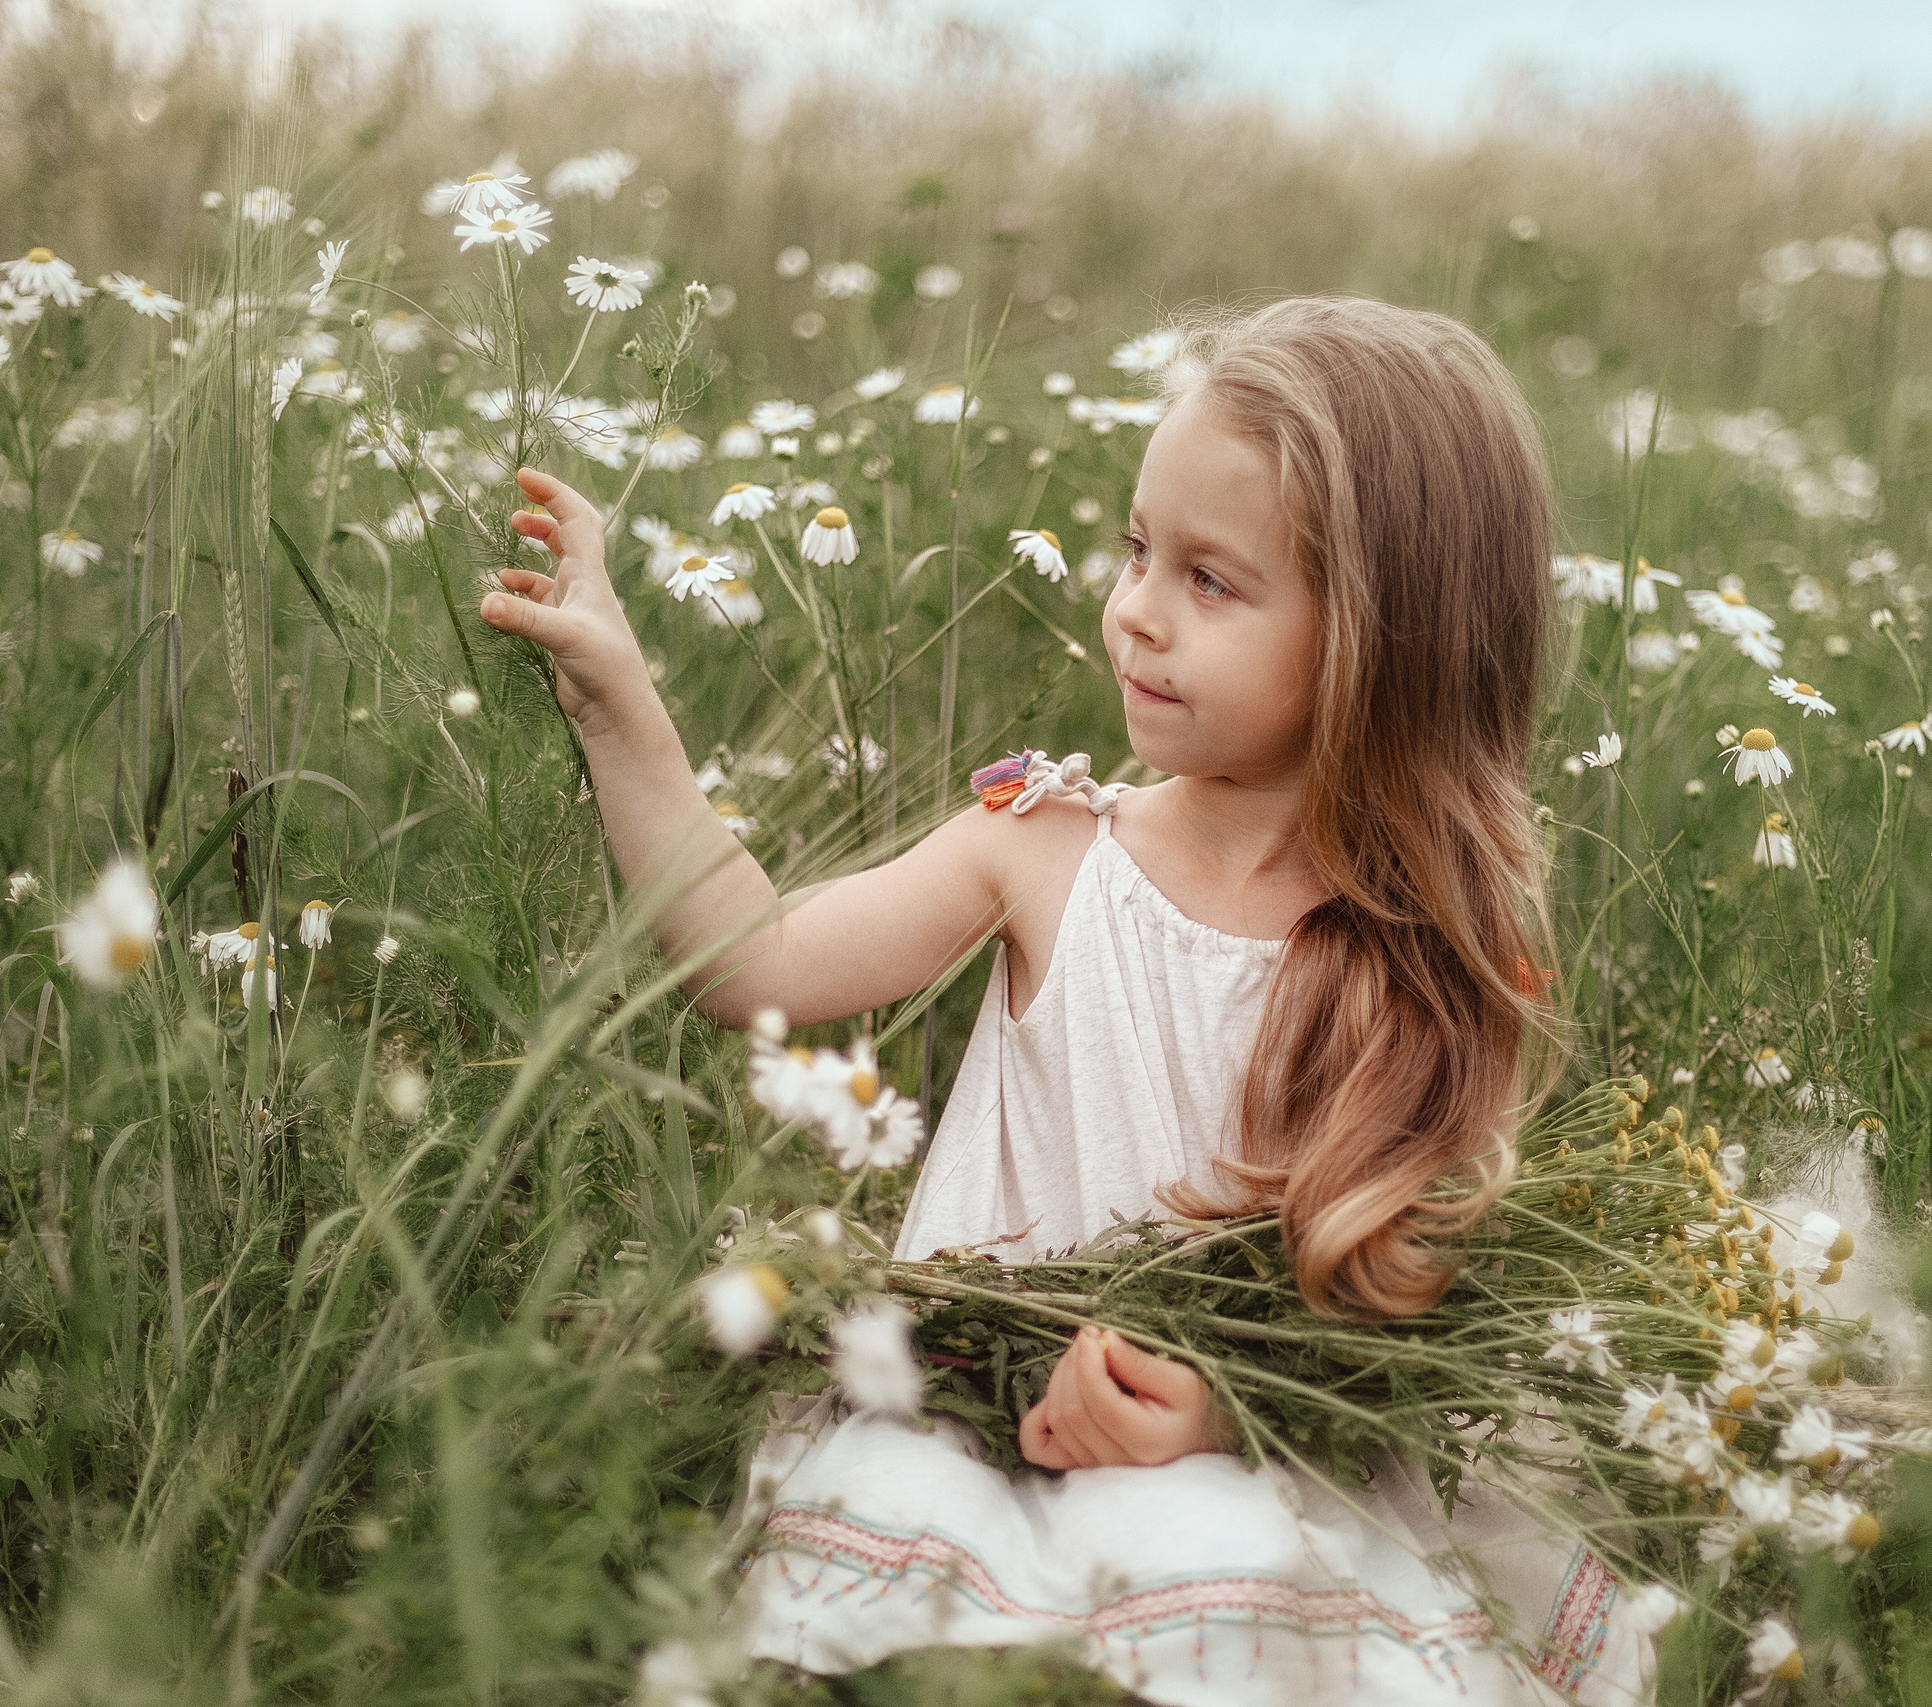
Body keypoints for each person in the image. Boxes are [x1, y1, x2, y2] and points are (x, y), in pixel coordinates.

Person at [480, 296, 1652, 1704]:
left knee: (1226, 1568)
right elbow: (755, 964)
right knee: (932, 1570)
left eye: (1212, 583)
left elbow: (1420, 1286)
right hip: (974, 1429)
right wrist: (619, 700)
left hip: (1261, 1462)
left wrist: (1221, 1409)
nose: (1137, 611)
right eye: (1138, 549)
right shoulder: (1042, 846)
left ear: (1379, 641)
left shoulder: (1429, 952)